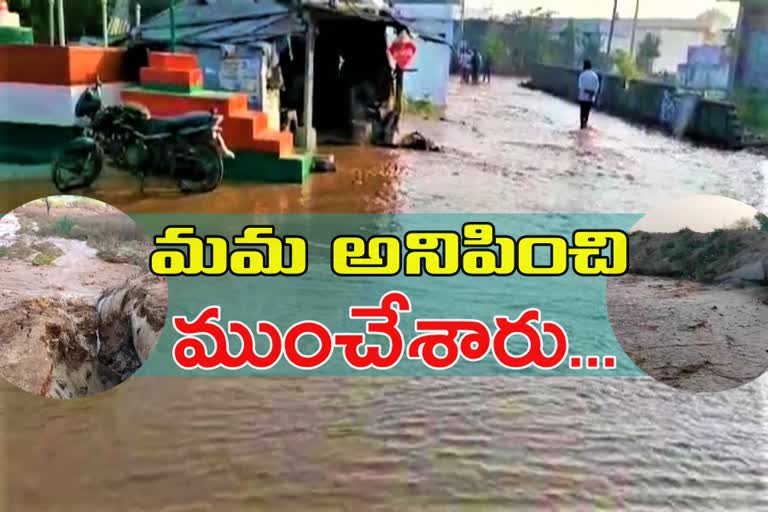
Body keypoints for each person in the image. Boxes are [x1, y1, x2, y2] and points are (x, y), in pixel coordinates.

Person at [577, 59, 600, 130]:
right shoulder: (595, 76)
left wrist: (587, 91)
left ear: (584, 66)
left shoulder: (582, 75)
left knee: (582, 112)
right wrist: (592, 93)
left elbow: (581, 86)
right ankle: (585, 124)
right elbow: (597, 87)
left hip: (583, 97)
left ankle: (582, 126)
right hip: (591, 98)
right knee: (587, 112)